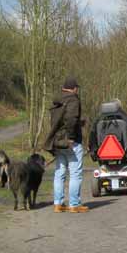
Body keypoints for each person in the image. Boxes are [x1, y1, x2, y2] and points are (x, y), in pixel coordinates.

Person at [43, 76, 88, 214]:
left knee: (60, 172)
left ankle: (58, 204)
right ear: (74, 88)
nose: (77, 91)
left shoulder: (58, 101)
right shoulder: (73, 99)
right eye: (76, 88)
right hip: (70, 142)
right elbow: (70, 119)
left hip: (57, 141)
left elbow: (60, 121)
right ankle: (74, 204)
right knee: (75, 173)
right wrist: (72, 136)